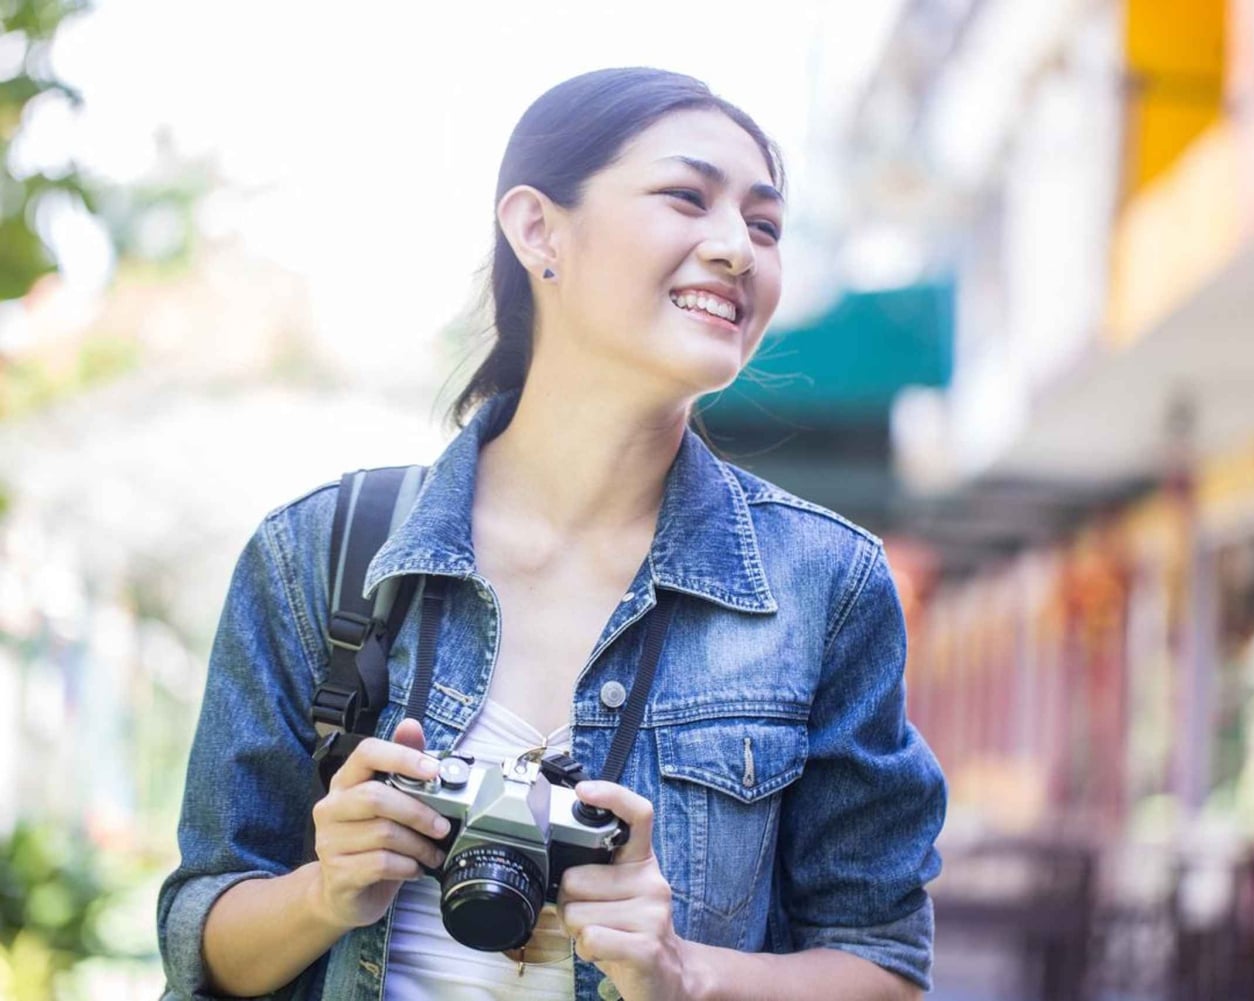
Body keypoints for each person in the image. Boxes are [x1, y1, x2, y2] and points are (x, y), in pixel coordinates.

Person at [156, 66, 947, 1001]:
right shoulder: (324, 556)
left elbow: (885, 966)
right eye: (686, 197)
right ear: (537, 229)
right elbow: (199, 938)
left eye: (765, 225)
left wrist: (683, 974)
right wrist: (325, 893)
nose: (737, 248)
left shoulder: (825, 584)